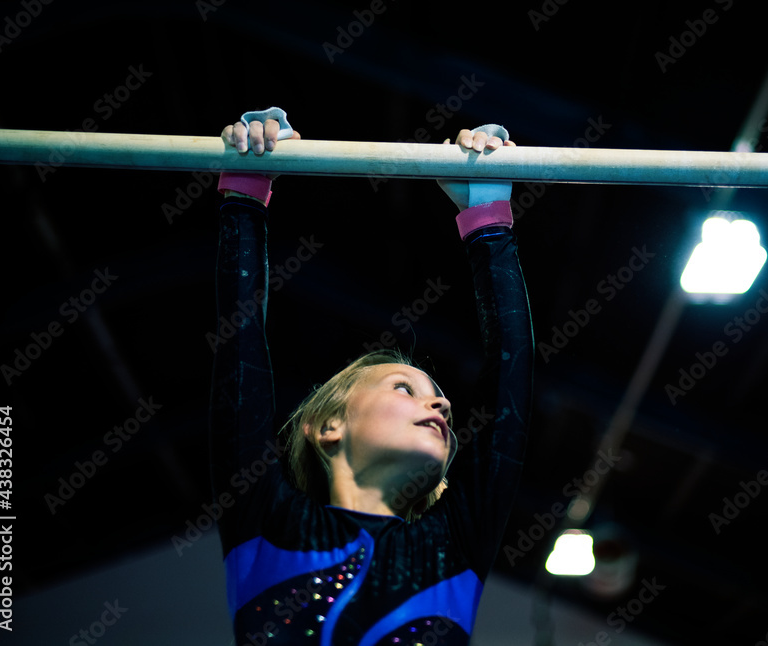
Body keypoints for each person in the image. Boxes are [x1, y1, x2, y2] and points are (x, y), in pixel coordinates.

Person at [209, 109, 534, 645]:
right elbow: (239, 353)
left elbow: (511, 383)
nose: (444, 408)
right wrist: (247, 184)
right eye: (406, 389)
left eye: (437, 397)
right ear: (328, 426)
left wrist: (487, 218)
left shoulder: (455, 541)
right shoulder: (262, 520)